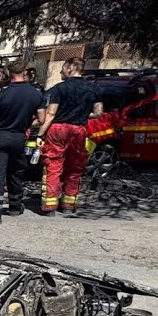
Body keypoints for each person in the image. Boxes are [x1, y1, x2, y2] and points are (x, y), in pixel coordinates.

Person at [36, 56, 103, 215]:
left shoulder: (60, 88)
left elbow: (51, 113)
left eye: (63, 68)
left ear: (71, 68)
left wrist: (40, 134)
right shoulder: (94, 89)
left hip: (58, 129)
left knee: (53, 166)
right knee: (75, 167)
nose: (61, 71)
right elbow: (98, 113)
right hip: (79, 129)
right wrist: (81, 114)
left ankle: (49, 207)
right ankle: (68, 205)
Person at [0, 58, 43, 224]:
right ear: (24, 73)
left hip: (0, 135)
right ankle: (15, 206)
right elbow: (41, 119)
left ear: (9, 73)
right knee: (16, 171)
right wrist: (26, 123)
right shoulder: (35, 94)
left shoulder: (1, 94)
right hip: (19, 136)